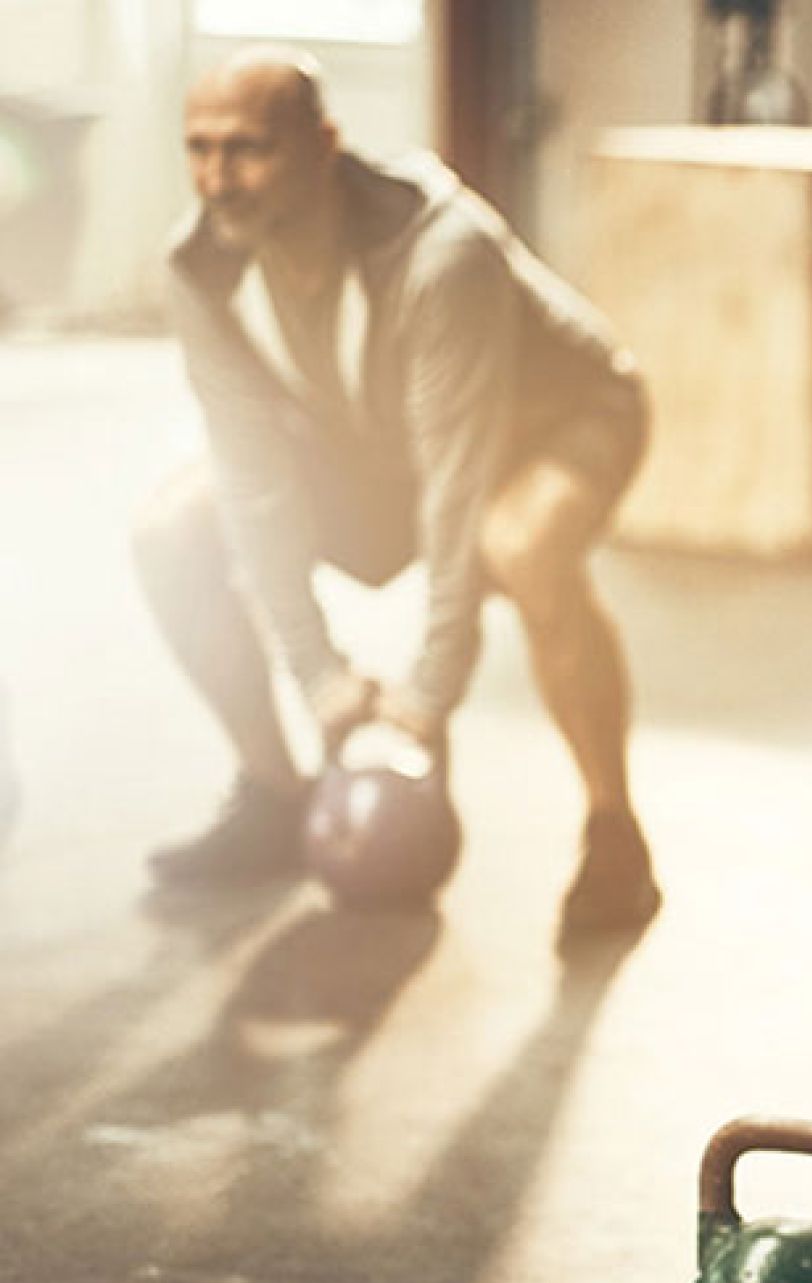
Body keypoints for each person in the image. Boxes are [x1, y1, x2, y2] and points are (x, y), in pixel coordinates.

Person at [135, 47, 659, 934]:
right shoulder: (200, 266)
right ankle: (272, 798)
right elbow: (253, 474)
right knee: (175, 529)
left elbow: (454, 491)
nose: (219, 178)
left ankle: (616, 836)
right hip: (377, 438)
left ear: (324, 145)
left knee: (518, 548)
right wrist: (324, 682)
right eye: (200, 148)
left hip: (565, 419)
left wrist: (425, 697)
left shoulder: (441, 256)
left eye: (248, 148)